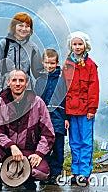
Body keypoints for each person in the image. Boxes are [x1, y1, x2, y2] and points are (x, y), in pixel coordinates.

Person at [0, 69, 55, 192]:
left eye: (21, 80)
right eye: (14, 80)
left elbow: (48, 134)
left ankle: (28, 181)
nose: (17, 84)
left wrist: (39, 153)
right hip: (5, 150)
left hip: (29, 151)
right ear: (8, 82)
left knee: (42, 172)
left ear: (27, 83)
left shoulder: (38, 103)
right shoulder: (0, 103)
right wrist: (11, 146)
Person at [62, 31, 99, 186]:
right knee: (74, 142)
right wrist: (64, 115)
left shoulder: (90, 65)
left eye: (80, 44)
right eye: (74, 44)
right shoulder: (67, 65)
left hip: (85, 111)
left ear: (85, 46)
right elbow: (63, 90)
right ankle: (75, 172)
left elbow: (94, 88)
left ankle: (84, 173)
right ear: (71, 45)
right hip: (71, 111)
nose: (77, 47)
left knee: (86, 142)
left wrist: (92, 108)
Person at [34, 48, 69, 185]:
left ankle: (55, 174)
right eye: (47, 63)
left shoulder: (62, 80)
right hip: (43, 119)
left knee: (58, 148)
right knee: (44, 147)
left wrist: (67, 118)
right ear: (43, 62)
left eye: (52, 63)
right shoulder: (40, 80)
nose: (49, 66)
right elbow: (36, 100)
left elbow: (66, 99)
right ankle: (45, 173)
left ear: (57, 63)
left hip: (58, 117)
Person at [0, 12, 43, 96]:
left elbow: (38, 72)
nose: (24, 29)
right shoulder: (4, 44)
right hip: (7, 90)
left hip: (27, 91)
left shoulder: (33, 48)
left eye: (27, 26)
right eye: (20, 25)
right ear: (14, 26)